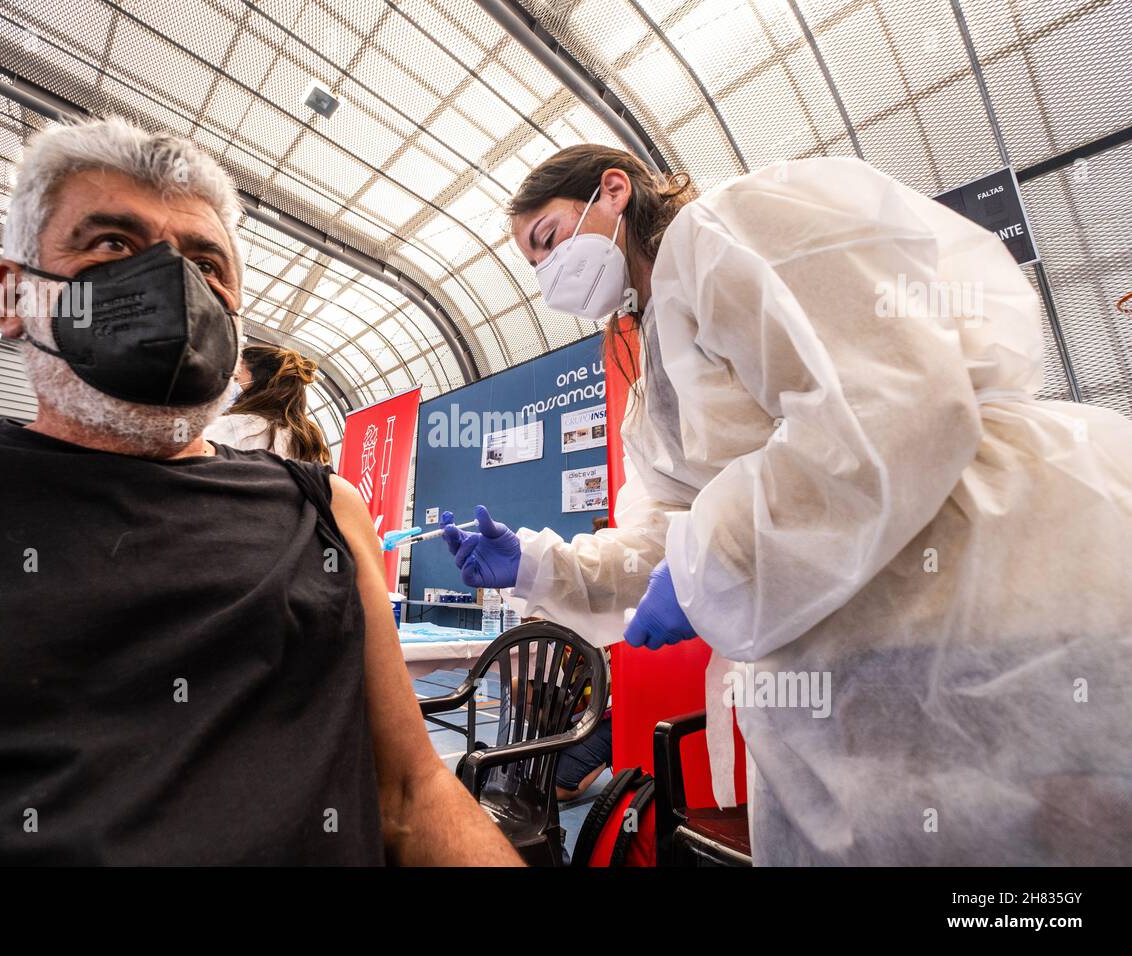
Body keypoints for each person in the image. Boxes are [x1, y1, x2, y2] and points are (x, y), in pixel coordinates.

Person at [0, 116, 519, 866]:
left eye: (205, 262)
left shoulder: (321, 509)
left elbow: (414, 794)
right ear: (13, 298)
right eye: (112, 244)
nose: (170, 283)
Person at [441, 144, 1132, 865]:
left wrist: (708, 559)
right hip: (848, 671)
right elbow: (670, 534)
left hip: (981, 587)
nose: (551, 276)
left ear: (613, 190)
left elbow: (890, 406)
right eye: (534, 266)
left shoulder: (728, 229)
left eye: (548, 240)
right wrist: (538, 566)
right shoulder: (651, 376)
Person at [204, 344, 331, 462]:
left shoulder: (235, 426)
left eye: (236, 378)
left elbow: (191, 452)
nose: (233, 385)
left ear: (257, 383)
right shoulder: (309, 441)